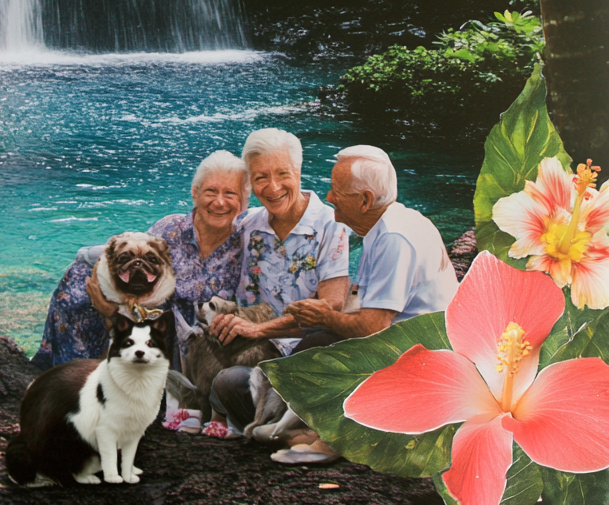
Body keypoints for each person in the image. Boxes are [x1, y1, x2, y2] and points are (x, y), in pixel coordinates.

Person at [32, 150, 250, 376]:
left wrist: (112, 312)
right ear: (195, 194)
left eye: (230, 193)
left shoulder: (249, 238)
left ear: (243, 201)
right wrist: (112, 309)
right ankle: (69, 375)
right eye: (210, 191)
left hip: (200, 342)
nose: (219, 202)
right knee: (80, 278)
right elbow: (128, 261)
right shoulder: (169, 229)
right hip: (153, 323)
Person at [206, 128, 349, 438]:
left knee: (320, 346)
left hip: (306, 351)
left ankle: (284, 427)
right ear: (250, 181)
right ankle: (285, 429)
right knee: (228, 382)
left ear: (298, 170)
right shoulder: (248, 224)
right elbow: (199, 235)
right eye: (260, 178)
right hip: (258, 354)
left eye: (283, 174)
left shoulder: (330, 224)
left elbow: (331, 306)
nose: (272, 187)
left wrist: (258, 329)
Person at [285, 144, 458, 339]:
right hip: (413, 337)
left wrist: (326, 317)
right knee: (315, 335)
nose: (329, 197)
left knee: (317, 341)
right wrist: (326, 311)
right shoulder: (386, 224)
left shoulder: (393, 238)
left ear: (365, 201)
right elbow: (358, 298)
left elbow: (371, 328)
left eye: (336, 191)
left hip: (419, 348)